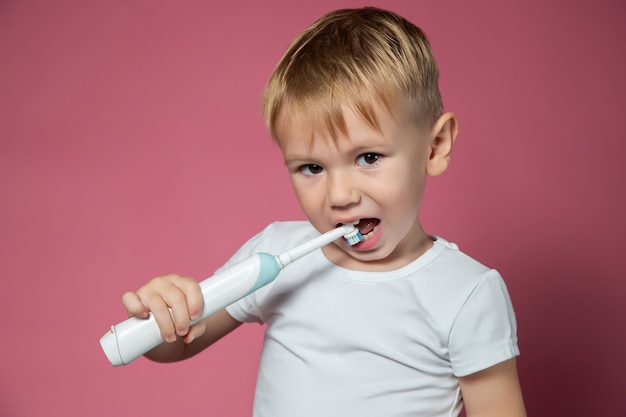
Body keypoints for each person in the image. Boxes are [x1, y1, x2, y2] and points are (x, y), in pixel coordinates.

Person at [121, 7, 526, 417]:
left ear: (434, 147)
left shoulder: (468, 293)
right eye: (312, 168)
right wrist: (164, 318)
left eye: (368, 157)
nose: (339, 194)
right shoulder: (273, 253)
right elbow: (173, 348)